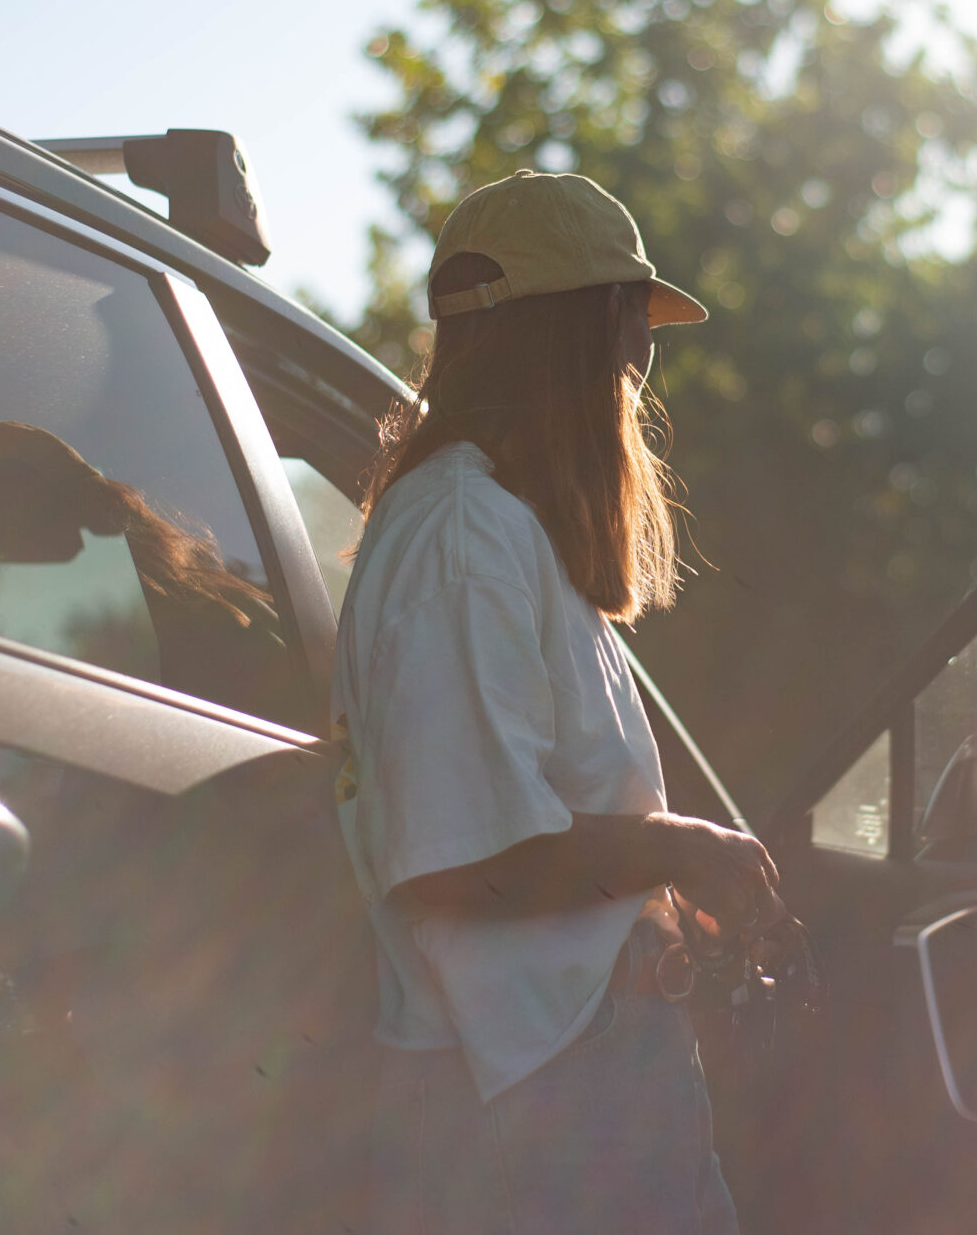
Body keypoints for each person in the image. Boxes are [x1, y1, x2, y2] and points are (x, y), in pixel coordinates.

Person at [333, 170, 780, 1235]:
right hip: (540, 1097)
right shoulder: (464, 531)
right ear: (582, 327)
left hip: (585, 1071)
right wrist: (678, 848)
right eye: (632, 328)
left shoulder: (502, 527)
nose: (637, 366)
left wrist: (656, 892)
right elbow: (461, 857)